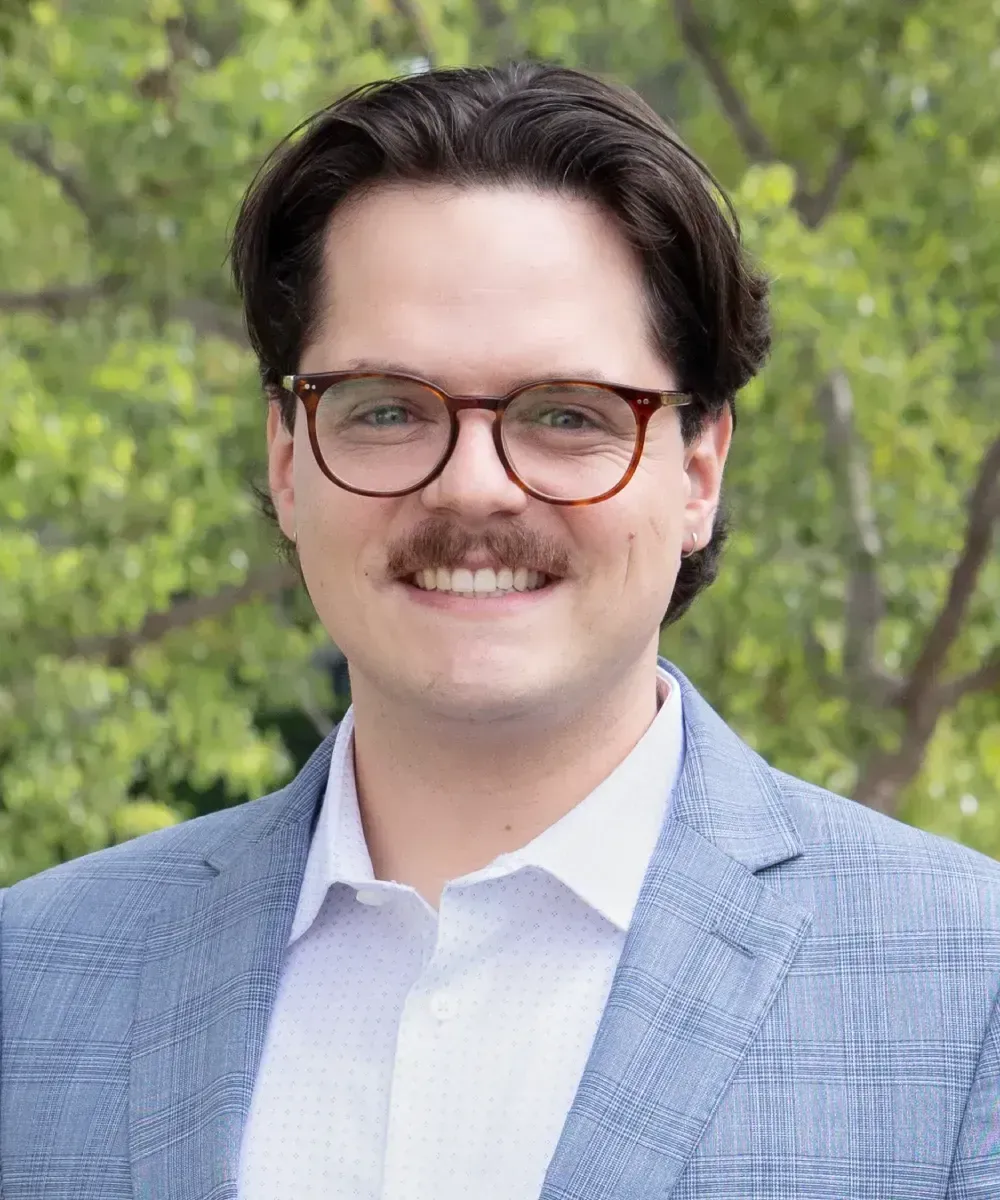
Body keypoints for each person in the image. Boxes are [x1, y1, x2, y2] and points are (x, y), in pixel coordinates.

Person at [1, 62, 997, 1200]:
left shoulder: (970, 994)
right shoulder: (30, 979)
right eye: (385, 407)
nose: (474, 488)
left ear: (699, 472)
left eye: (567, 415)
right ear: (286, 461)